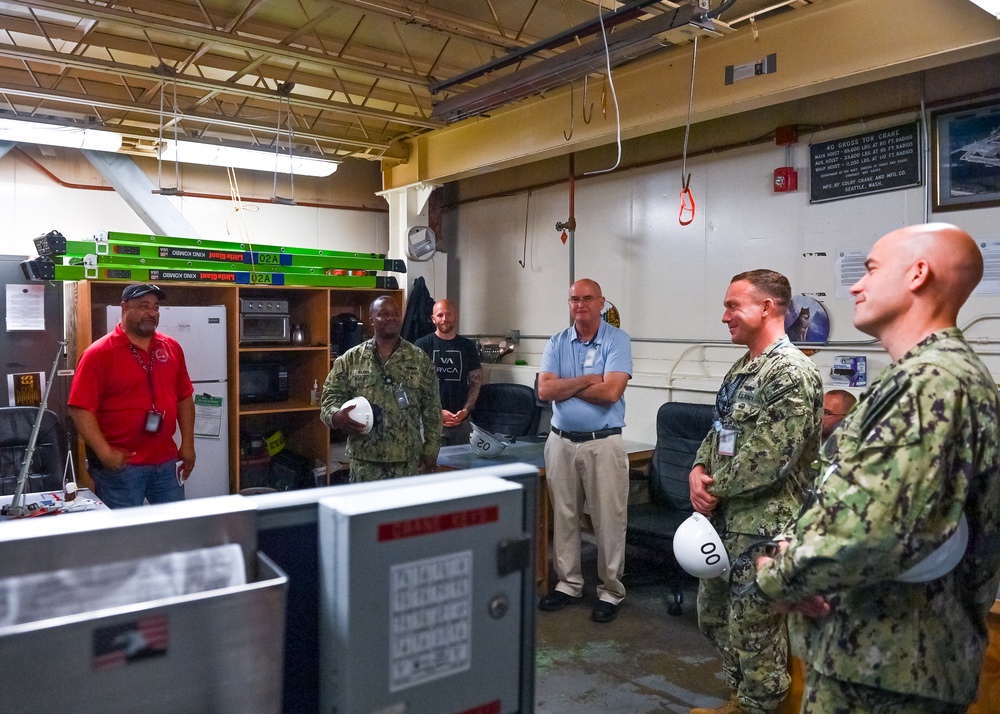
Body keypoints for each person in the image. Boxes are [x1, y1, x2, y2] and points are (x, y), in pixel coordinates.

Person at [755, 223, 1000, 713]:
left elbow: (873, 531)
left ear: (918, 274)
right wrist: (804, 558)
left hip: (887, 672)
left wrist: (779, 575)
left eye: (870, 269)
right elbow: (849, 500)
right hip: (872, 658)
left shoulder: (932, 381)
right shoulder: (917, 376)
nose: (855, 285)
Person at [688, 269, 823, 714]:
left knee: (755, 633)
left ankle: (758, 706)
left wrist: (715, 488)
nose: (724, 315)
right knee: (715, 619)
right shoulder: (742, 369)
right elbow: (718, 430)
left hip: (766, 529)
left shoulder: (791, 373)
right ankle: (740, 698)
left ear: (766, 307)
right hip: (728, 525)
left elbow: (770, 458)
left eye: (733, 305)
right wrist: (698, 470)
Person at [536, 279, 632, 624]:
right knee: (563, 517)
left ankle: (611, 591)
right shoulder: (557, 342)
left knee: (608, 519)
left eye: (588, 298)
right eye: (574, 298)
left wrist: (567, 385)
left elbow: (611, 393)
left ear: (601, 302)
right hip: (560, 442)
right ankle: (569, 584)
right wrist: (588, 379)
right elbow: (545, 389)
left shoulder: (617, 340)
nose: (581, 304)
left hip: (602, 443)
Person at [68, 283, 195, 508]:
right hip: (122, 467)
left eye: (156, 307)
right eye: (144, 306)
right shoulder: (99, 353)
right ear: (124, 307)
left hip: (166, 462)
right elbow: (80, 408)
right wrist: (105, 453)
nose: (152, 313)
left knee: (174, 531)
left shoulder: (171, 347)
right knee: (123, 537)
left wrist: (188, 443)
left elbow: (184, 397)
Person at [320, 295, 442, 482]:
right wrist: (336, 416)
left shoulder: (419, 359)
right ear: (371, 320)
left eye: (395, 314)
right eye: (383, 314)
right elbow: (330, 397)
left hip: (407, 462)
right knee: (366, 511)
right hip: (364, 461)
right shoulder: (350, 359)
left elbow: (432, 408)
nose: (391, 318)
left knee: (403, 511)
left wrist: (431, 451)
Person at [415, 299, 482, 446]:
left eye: (448, 314)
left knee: (462, 466)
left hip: (462, 422)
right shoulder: (421, 345)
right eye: (440, 315)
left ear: (455, 317)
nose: (444, 319)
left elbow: (475, 382)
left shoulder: (468, 346)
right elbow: (414, 385)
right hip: (430, 421)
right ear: (433, 319)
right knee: (431, 465)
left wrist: (466, 410)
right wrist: (437, 411)